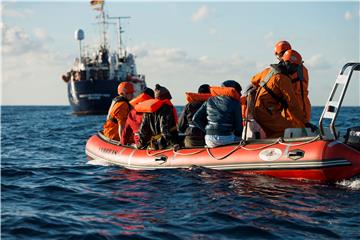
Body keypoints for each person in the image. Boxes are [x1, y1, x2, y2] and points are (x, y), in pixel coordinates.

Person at [252, 50, 314, 138]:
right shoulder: (283, 79)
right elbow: (292, 103)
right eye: (296, 67)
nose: (296, 70)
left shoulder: (268, 71)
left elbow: (253, 80)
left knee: (286, 127)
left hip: (261, 110)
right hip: (266, 112)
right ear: (288, 63)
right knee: (288, 130)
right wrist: (305, 122)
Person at [193, 80, 243, 148]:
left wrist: (207, 130)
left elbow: (195, 119)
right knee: (243, 141)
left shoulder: (209, 100)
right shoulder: (235, 102)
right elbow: (239, 128)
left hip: (208, 139)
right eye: (239, 91)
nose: (240, 94)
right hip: (225, 138)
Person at [137, 84, 179, 150]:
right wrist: (173, 144)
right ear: (166, 96)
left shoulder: (148, 110)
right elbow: (164, 129)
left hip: (154, 144)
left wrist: (140, 144)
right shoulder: (166, 108)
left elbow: (143, 130)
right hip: (164, 144)